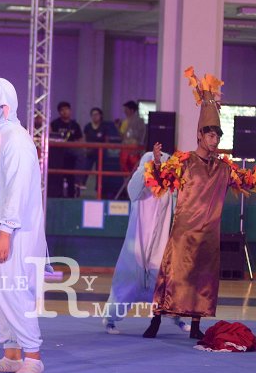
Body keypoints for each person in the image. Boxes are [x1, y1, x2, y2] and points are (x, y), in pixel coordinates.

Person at [143, 68, 254, 340]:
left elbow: (247, 180)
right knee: (171, 277)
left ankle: (195, 325)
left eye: (218, 137)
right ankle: (156, 321)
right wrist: (156, 161)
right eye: (211, 136)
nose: (215, 141)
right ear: (200, 136)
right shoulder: (184, 162)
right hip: (183, 233)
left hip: (208, 236)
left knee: (202, 280)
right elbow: (160, 180)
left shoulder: (224, 168)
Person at [0, 78, 47, 373]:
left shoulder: (15, 138)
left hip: (14, 232)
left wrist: (5, 231)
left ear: (3, 106)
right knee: (0, 292)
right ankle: (12, 355)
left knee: (15, 291)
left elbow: (17, 190)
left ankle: (33, 357)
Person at [101, 150, 188, 334]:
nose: (160, 167)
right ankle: (110, 320)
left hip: (159, 246)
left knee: (166, 283)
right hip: (137, 246)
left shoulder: (168, 189)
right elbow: (132, 190)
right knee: (127, 283)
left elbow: (178, 205)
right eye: (157, 164)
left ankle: (177, 318)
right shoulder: (140, 185)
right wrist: (148, 168)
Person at [49, 101, 84, 196]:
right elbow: (50, 137)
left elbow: (80, 140)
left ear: (70, 111)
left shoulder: (75, 125)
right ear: (59, 112)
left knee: (81, 154)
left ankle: (78, 182)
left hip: (72, 150)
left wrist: (76, 145)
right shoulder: (54, 124)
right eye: (62, 110)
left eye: (66, 109)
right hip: (57, 151)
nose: (64, 112)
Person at [119, 101, 146, 173]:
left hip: (135, 150)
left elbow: (141, 136)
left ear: (132, 110)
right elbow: (122, 135)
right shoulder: (124, 122)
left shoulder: (139, 121)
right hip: (125, 149)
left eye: (126, 109)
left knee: (134, 169)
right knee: (124, 169)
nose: (124, 111)